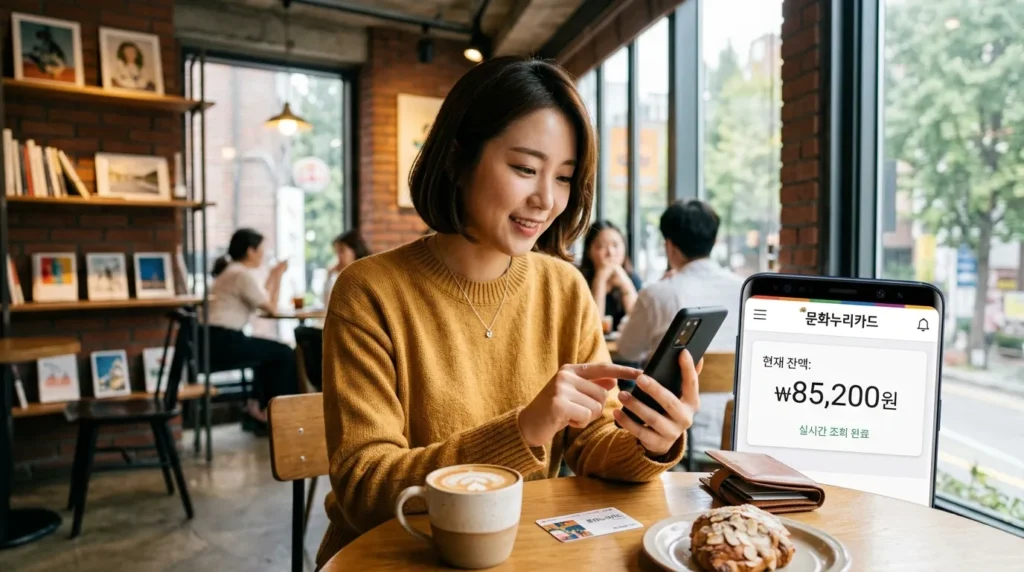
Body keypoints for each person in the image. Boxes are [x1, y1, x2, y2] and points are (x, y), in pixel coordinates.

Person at [316, 56, 703, 567]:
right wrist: (523, 430)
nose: (545, 199)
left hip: (520, 554)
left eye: (564, 177)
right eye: (524, 168)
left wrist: (649, 441)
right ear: (457, 158)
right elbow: (365, 490)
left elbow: (592, 445)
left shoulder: (564, 288)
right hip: (396, 555)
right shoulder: (369, 291)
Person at [616, 200, 743, 459]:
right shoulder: (744, 290)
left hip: (677, 438)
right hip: (738, 435)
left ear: (669, 245)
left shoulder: (657, 293)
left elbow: (626, 349)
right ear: (713, 240)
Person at [206, 228, 298, 430]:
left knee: (269, 354)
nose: (263, 255)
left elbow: (261, 298)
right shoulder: (240, 275)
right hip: (223, 342)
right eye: (261, 250)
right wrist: (279, 276)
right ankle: (284, 419)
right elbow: (271, 309)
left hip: (215, 340)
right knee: (284, 353)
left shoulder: (233, 271)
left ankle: (259, 411)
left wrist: (274, 274)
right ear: (250, 251)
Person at [579, 221, 642, 331]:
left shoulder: (632, 278)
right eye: (601, 246)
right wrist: (600, 280)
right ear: (589, 251)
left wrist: (626, 284)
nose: (611, 252)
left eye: (615, 245)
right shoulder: (579, 280)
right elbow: (591, 330)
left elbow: (640, 325)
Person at [321, 230, 371, 309]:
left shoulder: (365, 274)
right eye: (336, 252)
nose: (338, 256)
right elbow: (327, 307)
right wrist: (328, 278)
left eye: (341, 251)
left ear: (355, 250)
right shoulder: (341, 275)